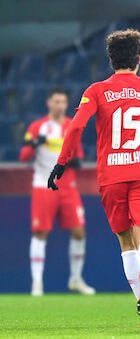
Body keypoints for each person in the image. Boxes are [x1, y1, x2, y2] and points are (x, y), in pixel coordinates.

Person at [47, 29, 140, 330]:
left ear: (110, 58)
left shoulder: (96, 90)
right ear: (139, 57)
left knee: (126, 243)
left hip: (111, 176)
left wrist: (61, 163)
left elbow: (75, 128)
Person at [20, 87, 95, 297]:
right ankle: (37, 283)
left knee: (79, 231)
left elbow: (78, 154)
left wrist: (76, 161)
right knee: (40, 232)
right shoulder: (37, 127)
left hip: (68, 186)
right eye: (56, 101)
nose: (60, 105)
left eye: (63, 102)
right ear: (49, 103)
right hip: (43, 185)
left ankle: (76, 278)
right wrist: (35, 144)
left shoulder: (72, 125)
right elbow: (24, 156)